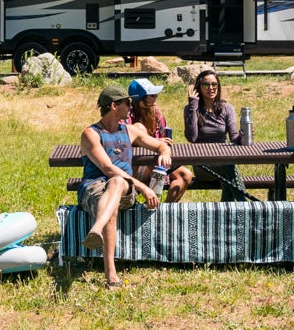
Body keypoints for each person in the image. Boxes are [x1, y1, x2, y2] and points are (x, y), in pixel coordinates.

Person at [78, 85, 172, 288]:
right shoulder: (91, 134)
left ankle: (97, 228)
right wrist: (143, 188)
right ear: (114, 105)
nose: (131, 106)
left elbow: (160, 144)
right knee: (115, 187)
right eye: (127, 103)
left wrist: (165, 152)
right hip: (94, 188)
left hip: (124, 190)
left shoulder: (130, 131)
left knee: (119, 183)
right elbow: (107, 168)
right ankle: (111, 275)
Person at [181, 68, 249, 201]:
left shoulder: (226, 108)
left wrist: (242, 136)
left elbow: (234, 138)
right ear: (199, 88)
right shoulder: (191, 108)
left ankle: (227, 214)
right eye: (206, 85)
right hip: (202, 165)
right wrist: (193, 105)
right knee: (229, 169)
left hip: (224, 161)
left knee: (228, 172)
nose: (210, 88)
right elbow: (192, 137)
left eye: (214, 84)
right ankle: (245, 207)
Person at [126, 78, 182, 202]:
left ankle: (162, 211)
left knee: (185, 176)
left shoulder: (156, 112)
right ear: (140, 100)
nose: (156, 97)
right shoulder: (127, 115)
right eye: (152, 95)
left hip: (158, 159)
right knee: (139, 128)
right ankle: (145, 206)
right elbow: (123, 141)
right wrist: (155, 141)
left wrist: (163, 144)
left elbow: (163, 138)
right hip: (136, 163)